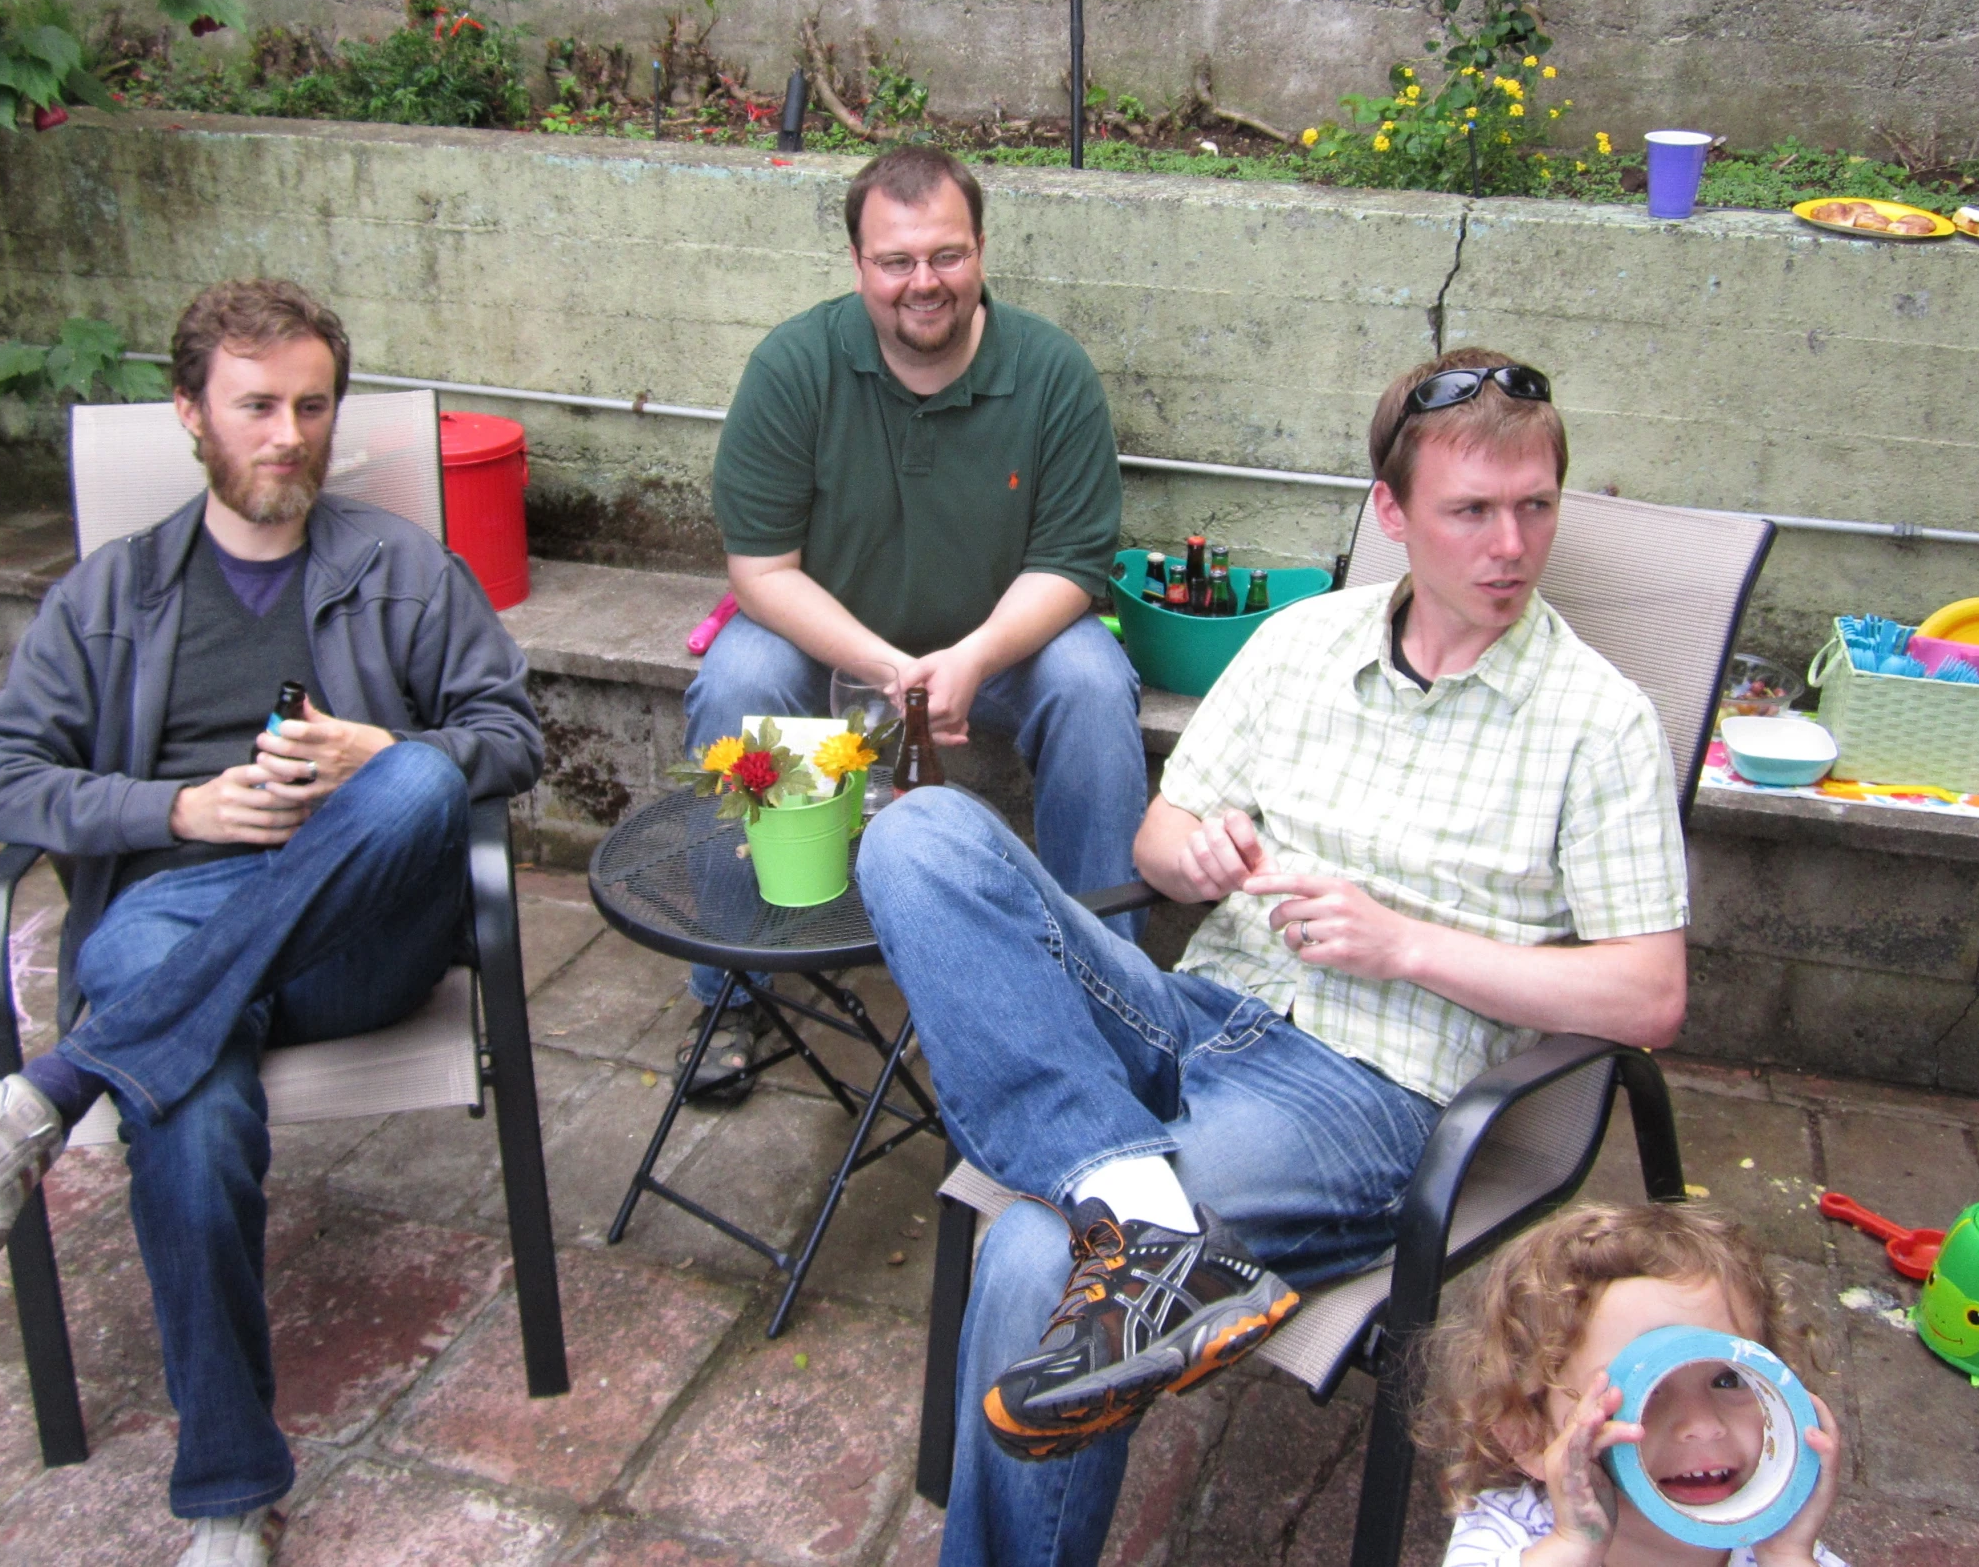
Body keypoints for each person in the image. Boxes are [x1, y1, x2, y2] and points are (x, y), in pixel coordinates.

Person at [853, 347, 1694, 1567]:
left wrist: (1404, 945)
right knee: (917, 832)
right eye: (1469, 512)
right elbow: (1155, 830)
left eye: (1533, 507)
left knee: (1039, 1253)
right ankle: (1142, 1215)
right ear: (1393, 516)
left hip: (1353, 1095)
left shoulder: (1597, 721)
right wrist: (1195, 852)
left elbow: (1648, 995)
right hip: (1188, 1014)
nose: (1509, 545)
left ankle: (1117, 1225)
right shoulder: (1302, 641)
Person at [0, 278, 542, 1567]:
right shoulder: (109, 595)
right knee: (194, 1098)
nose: (286, 434)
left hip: (364, 938)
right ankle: (230, 1495)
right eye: (254, 407)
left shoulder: (399, 566)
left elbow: (510, 736)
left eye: (310, 405)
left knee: (411, 778)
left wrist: (374, 752)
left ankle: (56, 1086)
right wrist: (176, 812)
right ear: (191, 415)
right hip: (173, 910)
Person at [681, 142, 1145, 1094]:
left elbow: (1070, 566)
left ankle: (1108, 994)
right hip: (832, 638)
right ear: (859, 266)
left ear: (980, 251)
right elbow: (762, 570)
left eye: (947, 255)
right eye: (896, 261)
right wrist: (889, 665)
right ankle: (730, 990)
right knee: (735, 681)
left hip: (1003, 640)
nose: (923, 283)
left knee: (1096, 684)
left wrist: (971, 655)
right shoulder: (794, 366)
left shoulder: (1052, 372)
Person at [1419, 1202, 1844, 1566]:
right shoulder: (1510, 1536)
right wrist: (1575, 1546)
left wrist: (1787, 1555)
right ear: (1528, 1434)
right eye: (1645, 1391)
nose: (1702, 1424)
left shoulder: (1782, 1546)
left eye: (1728, 1378)